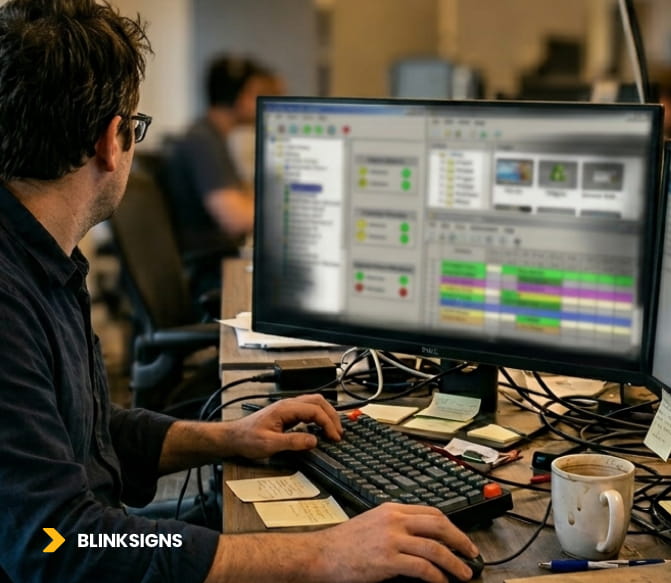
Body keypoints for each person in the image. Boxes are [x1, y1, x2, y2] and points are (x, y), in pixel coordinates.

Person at [0, 2, 477, 583]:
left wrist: (231, 438)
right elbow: (58, 541)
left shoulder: (41, 260)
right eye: (135, 126)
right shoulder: (10, 299)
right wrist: (324, 555)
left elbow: (85, 435)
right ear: (110, 141)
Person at [161, 54, 273, 296]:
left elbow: (243, 199)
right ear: (240, 97)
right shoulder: (202, 141)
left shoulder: (211, 137)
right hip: (209, 275)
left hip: (216, 264)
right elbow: (234, 218)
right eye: (256, 93)